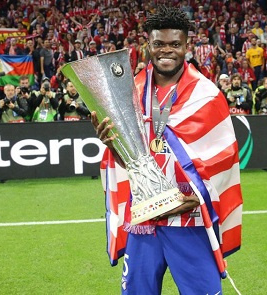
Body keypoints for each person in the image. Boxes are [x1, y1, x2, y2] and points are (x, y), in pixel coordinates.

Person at [92, 6, 242, 294]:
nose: (166, 51)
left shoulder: (206, 95)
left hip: (190, 219)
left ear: (186, 45)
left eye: (175, 44)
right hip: (145, 218)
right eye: (159, 44)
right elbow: (131, 161)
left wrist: (196, 197)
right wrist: (112, 145)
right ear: (148, 44)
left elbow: (224, 159)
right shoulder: (129, 91)